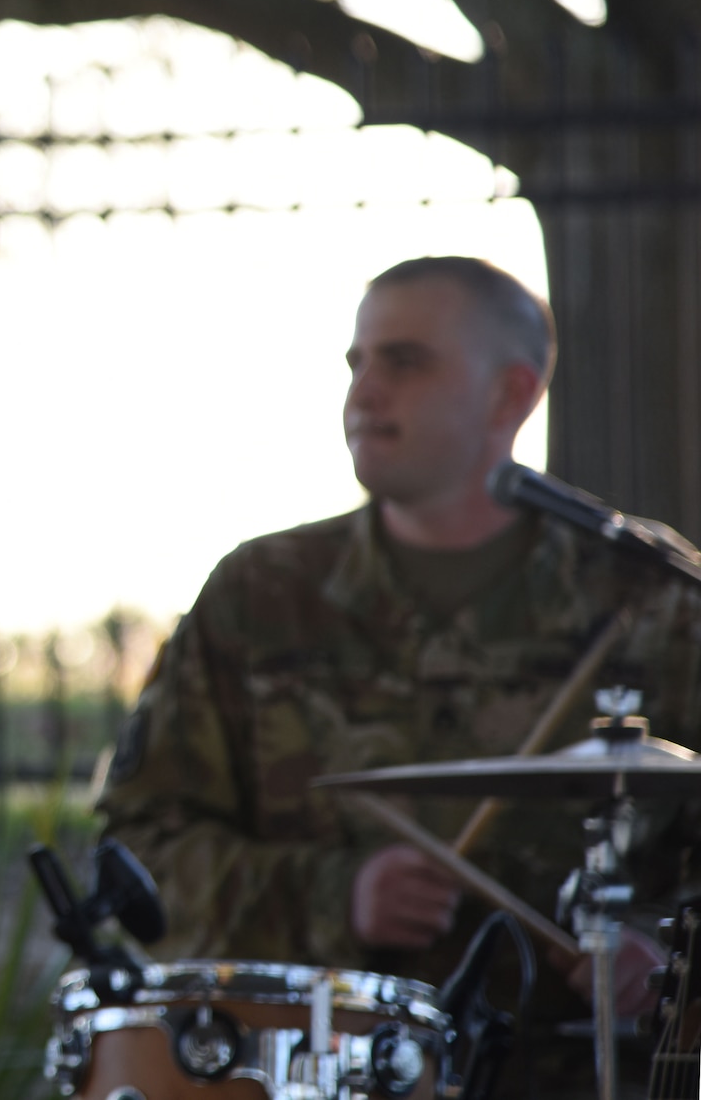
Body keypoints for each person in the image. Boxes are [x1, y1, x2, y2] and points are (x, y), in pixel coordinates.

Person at [100, 256, 700, 1084]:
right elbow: (142, 842)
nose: (364, 392)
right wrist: (334, 895)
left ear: (512, 394)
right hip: (312, 1068)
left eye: (405, 361)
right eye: (358, 362)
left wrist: (664, 952)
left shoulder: (656, 601)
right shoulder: (261, 594)